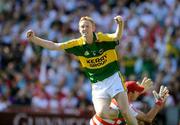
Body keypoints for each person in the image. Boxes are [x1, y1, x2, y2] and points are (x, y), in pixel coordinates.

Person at [26, 16, 138, 125]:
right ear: (79, 30)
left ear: (93, 27)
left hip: (113, 78)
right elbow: (54, 46)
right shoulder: (77, 44)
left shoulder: (102, 38)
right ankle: (130, 114)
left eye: (87, 26)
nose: (84, 29)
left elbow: (117, 36)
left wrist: (120, 24)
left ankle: (128, 113)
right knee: (102, 113)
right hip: (97, 84)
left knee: (125, 111)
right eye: (82, 27)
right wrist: (34, 39)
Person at [90, 78, 169, 125]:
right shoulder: (126, 108)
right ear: (130, 93)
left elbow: (128, 96)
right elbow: (148, 118)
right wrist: (159, 102)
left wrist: (139, 91)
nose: (139, 93)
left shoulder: (115, 99)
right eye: (137, 91)